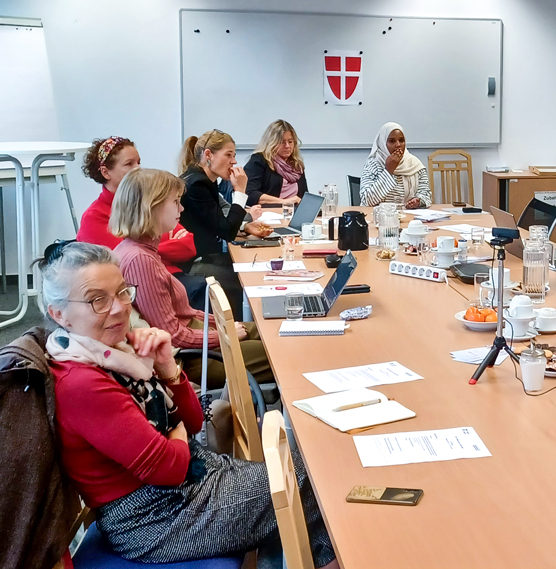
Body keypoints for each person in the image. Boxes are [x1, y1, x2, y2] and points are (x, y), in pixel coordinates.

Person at [40, 241, 336, 566]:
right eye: (97, 300)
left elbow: (194, 423)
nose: (119, 308)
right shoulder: (82, 383)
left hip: (186, 485)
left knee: (304, 470)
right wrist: (176, 431)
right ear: (59, 314)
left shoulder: (117, 354)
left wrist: (166, 366)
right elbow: (170, 466)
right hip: (154, 520)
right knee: (315, 475)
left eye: (122, 292)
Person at [110, 168, 272, 388]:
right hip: (192, 357)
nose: (182, 208)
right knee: (279, 350)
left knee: (272, 331)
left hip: (197, 338)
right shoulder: (140, 259)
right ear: (152, 206)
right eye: (175, 202)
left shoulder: (141, 249)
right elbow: (171, 335)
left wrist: (224, 324)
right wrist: (222, 334)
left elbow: (181, 314)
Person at [76, 136, 206, 306]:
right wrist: (164, 243)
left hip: (167, 275)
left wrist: (147, 249)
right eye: (129, 164)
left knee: (215, 285)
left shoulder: (147, 203)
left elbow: (188, 245)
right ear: (106, 172)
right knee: (209, 288)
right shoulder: (94, 217)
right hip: (137, 288)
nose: (137, 168)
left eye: (138, 162)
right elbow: (128, 260)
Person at [178, 129, 272, 310]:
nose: (234, 161)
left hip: (206, 255)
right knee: (250, 280)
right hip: (196, 263)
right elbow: (226, 231)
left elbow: (220, 221)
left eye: (234, 155)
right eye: (229, 155)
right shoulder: (198, 184)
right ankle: (243, 329)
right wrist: (240, 191)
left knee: (255, 268)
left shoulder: (204, 178)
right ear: (208, 155)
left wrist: (244, 226)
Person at [359, 122, 431, 208]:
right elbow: (367, 201)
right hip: (380, 217)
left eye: (401, 140)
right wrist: (388, 171)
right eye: (392, 141)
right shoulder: (373, 164)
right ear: (383, 143)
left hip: (409, 216)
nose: (398, 145)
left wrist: (418, 201)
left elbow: (426, 195)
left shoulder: (415, 164)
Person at [244, 119, 308, 206]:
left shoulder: (297, 166)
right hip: (269, 214)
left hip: (295, 213)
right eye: (282, 142)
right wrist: (285, 202)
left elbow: (304, 197)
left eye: (290, 141)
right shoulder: (259, 161)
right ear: (271, 143)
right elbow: (249, 195)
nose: (287, 146)